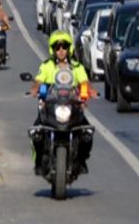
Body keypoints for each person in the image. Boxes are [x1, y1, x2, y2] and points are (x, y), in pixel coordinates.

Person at [29, 31, 97, 175]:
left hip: (71, 107)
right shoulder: (47, 66)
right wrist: (35, 89)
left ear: (69, 48)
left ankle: (82, 160)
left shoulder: (77, 67)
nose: (61, 50)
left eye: (64, 46)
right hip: (51, 107)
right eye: (57, 47)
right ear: (52, 49)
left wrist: (89, 92)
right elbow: (39, 80)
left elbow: (84, 82)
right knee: (36, 132)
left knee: (87, 133)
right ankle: (39, 162)